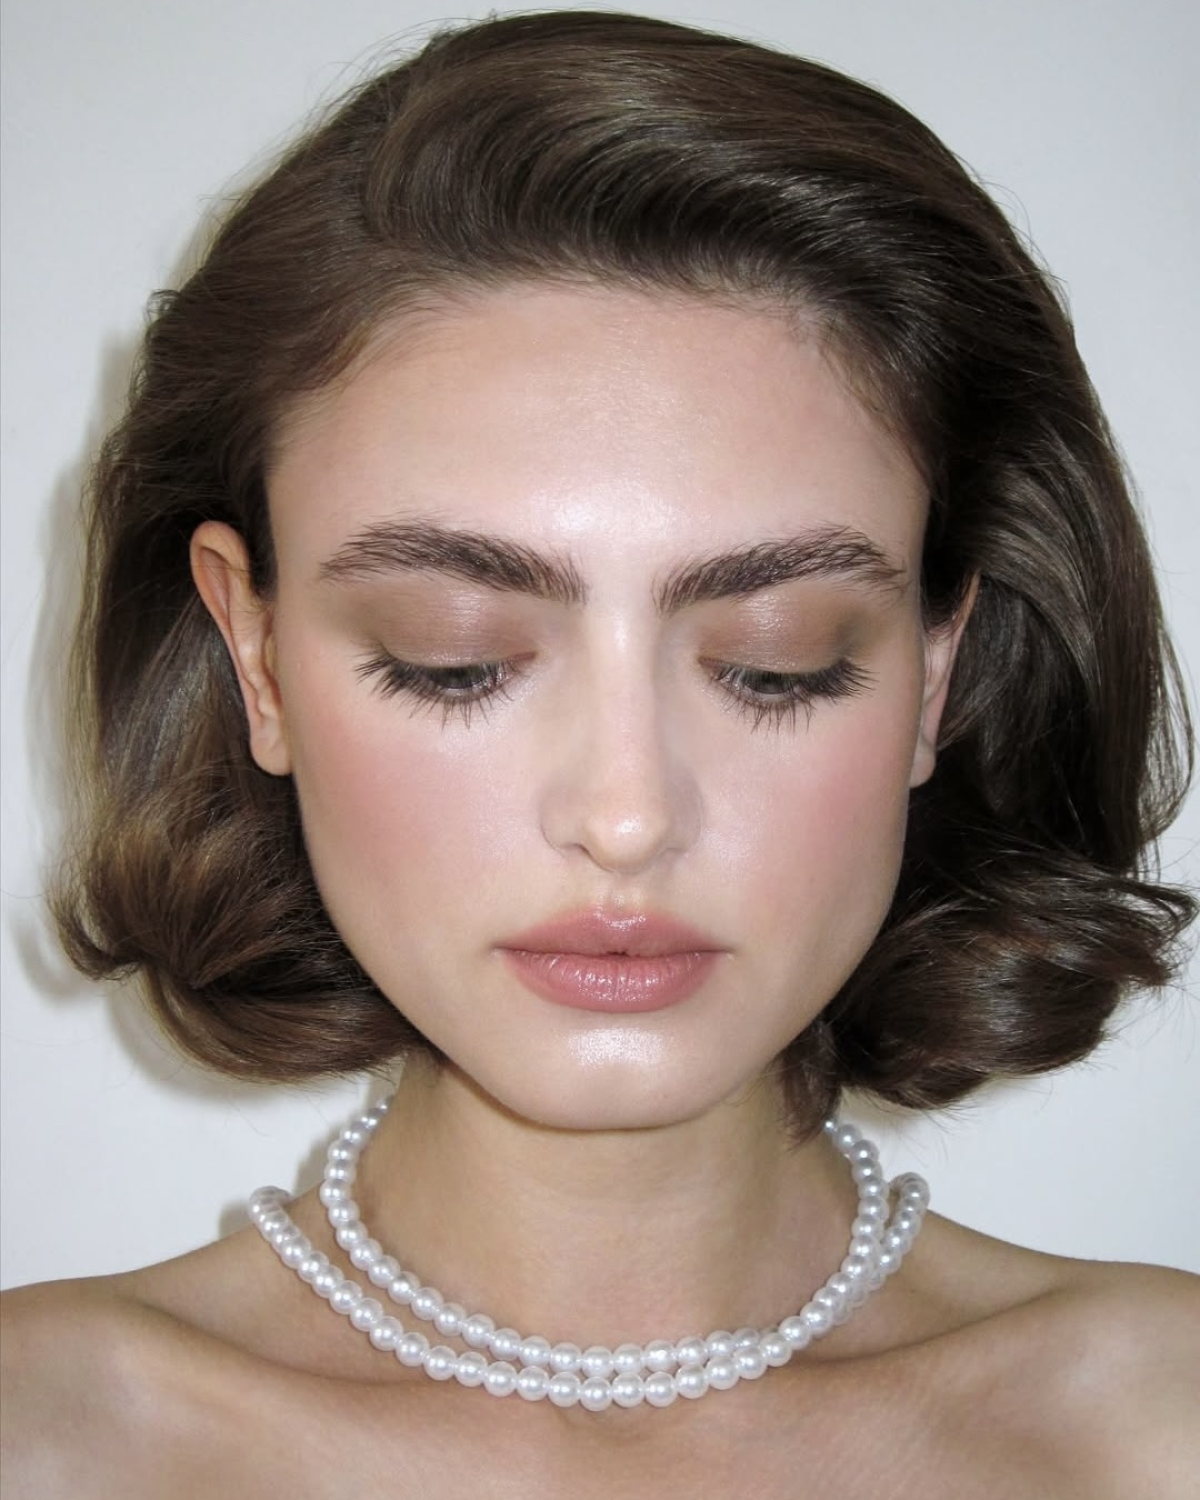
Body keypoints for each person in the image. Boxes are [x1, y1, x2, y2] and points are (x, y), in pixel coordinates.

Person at [2, 10, 1197, 1495]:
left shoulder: (1155, 1428)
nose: (627, 817)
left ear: (932, 674)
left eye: (777, 662)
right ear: (258, 657)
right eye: (452, 657)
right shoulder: (44, 1440)